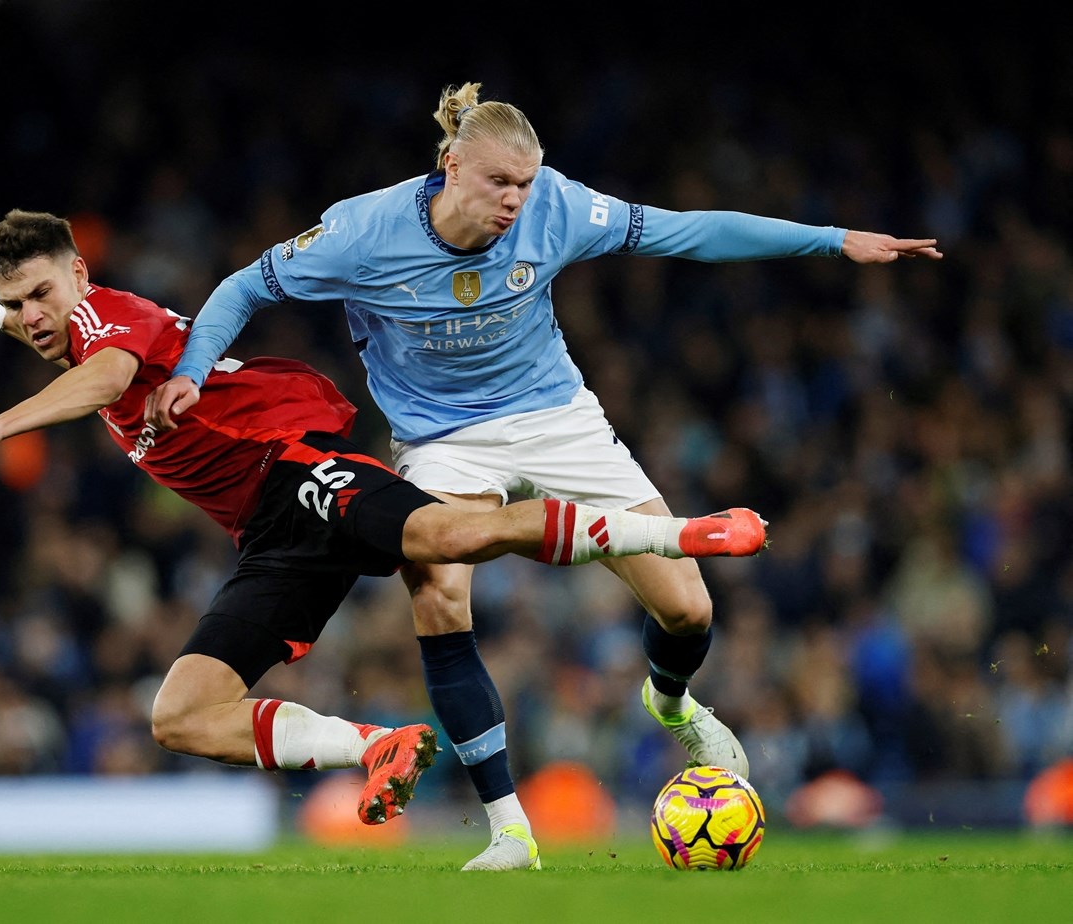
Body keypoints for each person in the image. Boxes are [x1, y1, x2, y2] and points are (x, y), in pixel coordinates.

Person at [145, 82, 943, 870]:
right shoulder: (365, 231)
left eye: (525, 184)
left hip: (559, 421)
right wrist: (190, 369)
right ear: (452, 165)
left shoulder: (558, 207)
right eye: (499, 183)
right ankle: (509, 833)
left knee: (690, 610)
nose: (515, 202)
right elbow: (247, 284)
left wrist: (833, 239)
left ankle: (669, 703)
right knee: (440, 592)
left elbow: (686, 233)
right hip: (443, 441)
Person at [0, 209, 767, 835]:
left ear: (78, 270)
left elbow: (106, 377)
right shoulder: (60, 323)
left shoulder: (111, 318)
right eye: (16, 304)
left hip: (293, 465)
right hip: (266, 533)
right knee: (180, 714)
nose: (31, 314)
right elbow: (58, 339)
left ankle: (677, 533)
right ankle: (376, 746)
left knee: (451, 536)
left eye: (40, 292)